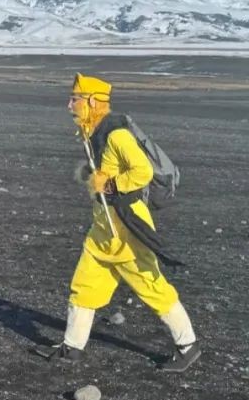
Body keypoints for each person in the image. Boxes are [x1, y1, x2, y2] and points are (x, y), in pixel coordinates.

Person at [41, 73, 199, 371]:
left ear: (91, 101)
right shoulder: (93, 132)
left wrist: (111, 185)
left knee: (152, 286)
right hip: (104, 229)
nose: (69, 105)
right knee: (84, 287)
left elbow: (142, 172)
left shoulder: (116, 134)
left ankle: (187, 346)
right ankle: (71, 348)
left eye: (74, 99)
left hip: (126, 227)